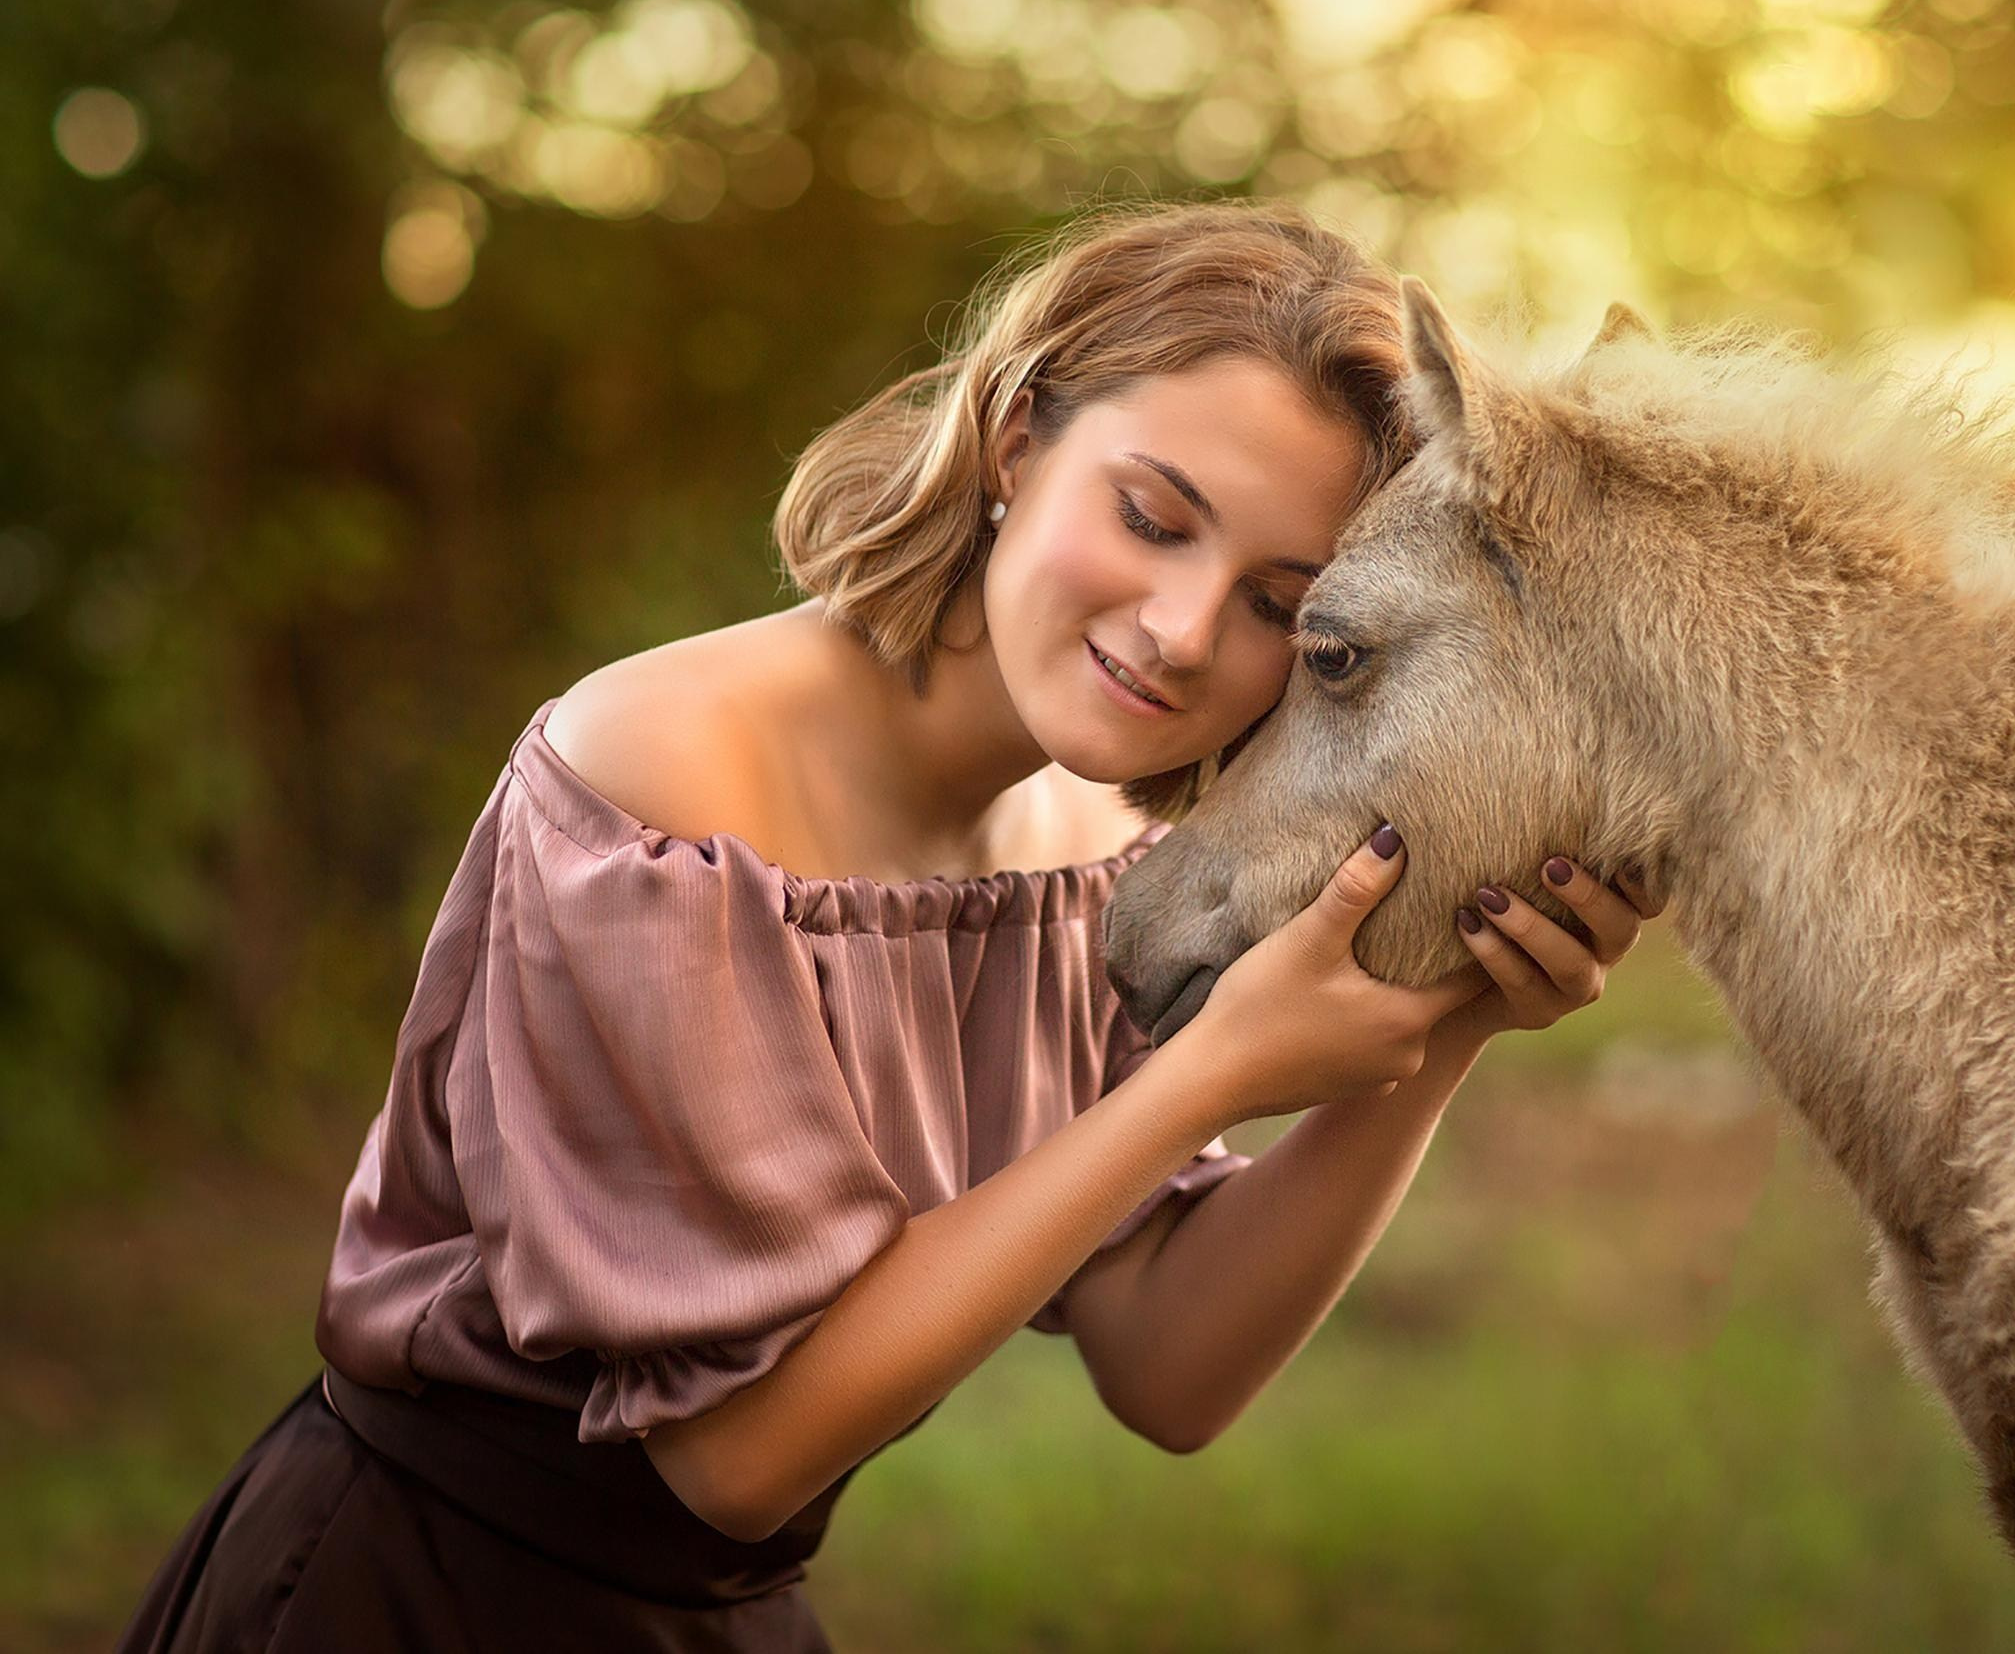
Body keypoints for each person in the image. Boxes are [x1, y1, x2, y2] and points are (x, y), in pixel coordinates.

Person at [118, 199, 1659, 1652]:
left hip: (720, 1620)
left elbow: (1171, 1369)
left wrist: (1444, 1023)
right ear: (1010, 442)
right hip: (415, 1598)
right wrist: (1209, 1076)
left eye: (1277, 600)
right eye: (1150, 516)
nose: (1184, 630)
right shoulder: (666, 782)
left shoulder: (1084, 847)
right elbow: (730, 1459)